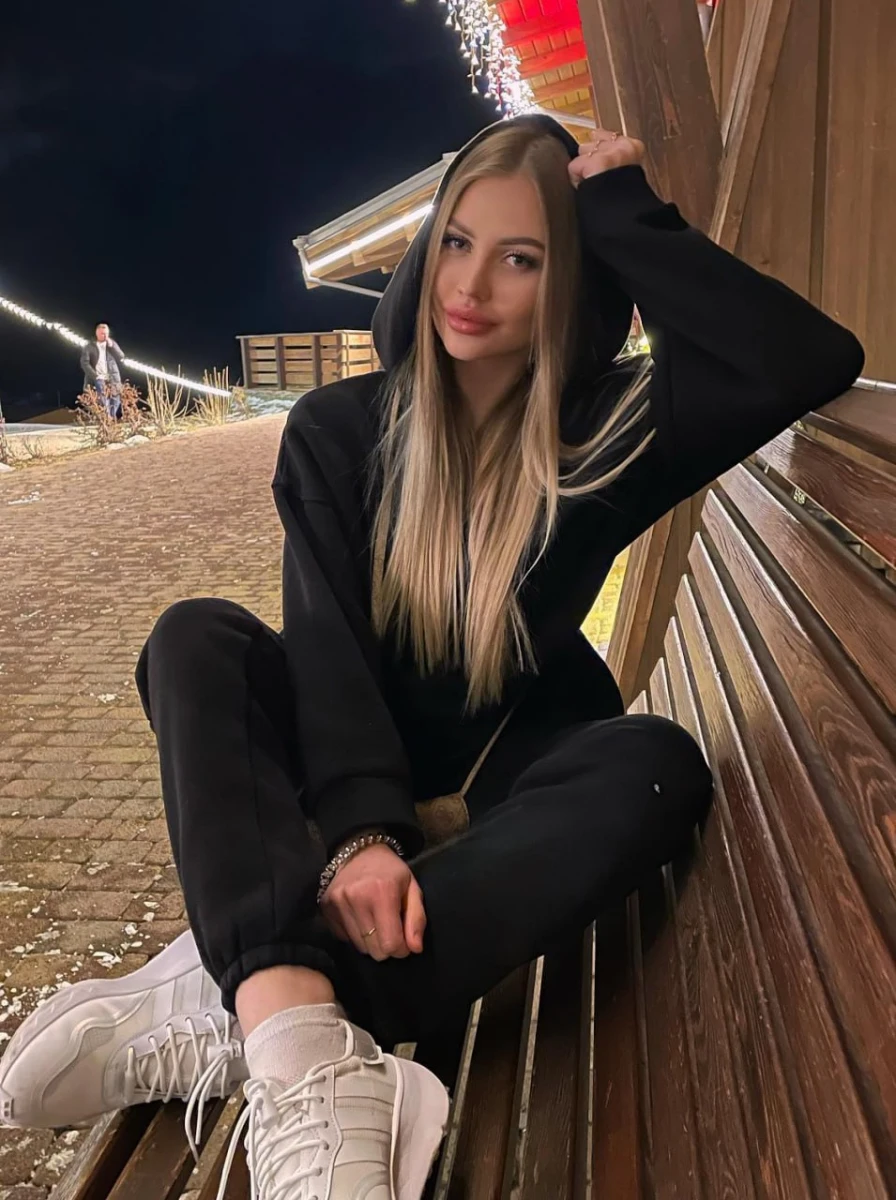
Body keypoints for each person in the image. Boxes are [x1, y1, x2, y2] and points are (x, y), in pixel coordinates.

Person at [0, 116, 864, 1199]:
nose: (470, 285)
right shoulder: (338, 427)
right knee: (195, 637)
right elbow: (323, 647)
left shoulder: (605, 438)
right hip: (333, 778)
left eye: (522, 258)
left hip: (502, 784)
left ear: (570, 278)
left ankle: (255, 1000)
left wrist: (618, 209)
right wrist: (360, 834)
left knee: (656, 764)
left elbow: (805, 358)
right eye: (457, 241)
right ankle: (291, 1022)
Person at [80, 322, 125, 417]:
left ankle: (110, 418)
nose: (104, 336)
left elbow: (121, 356)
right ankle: (106, 417)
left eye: (106, 333)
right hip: (98, 378)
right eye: (102, 333)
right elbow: (84, 363)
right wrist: (95, 375)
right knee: (103, 399)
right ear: (97, 333)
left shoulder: (111, 345)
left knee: (116, 400)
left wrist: (112, 345)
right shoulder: (89, 347)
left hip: (112, 377)